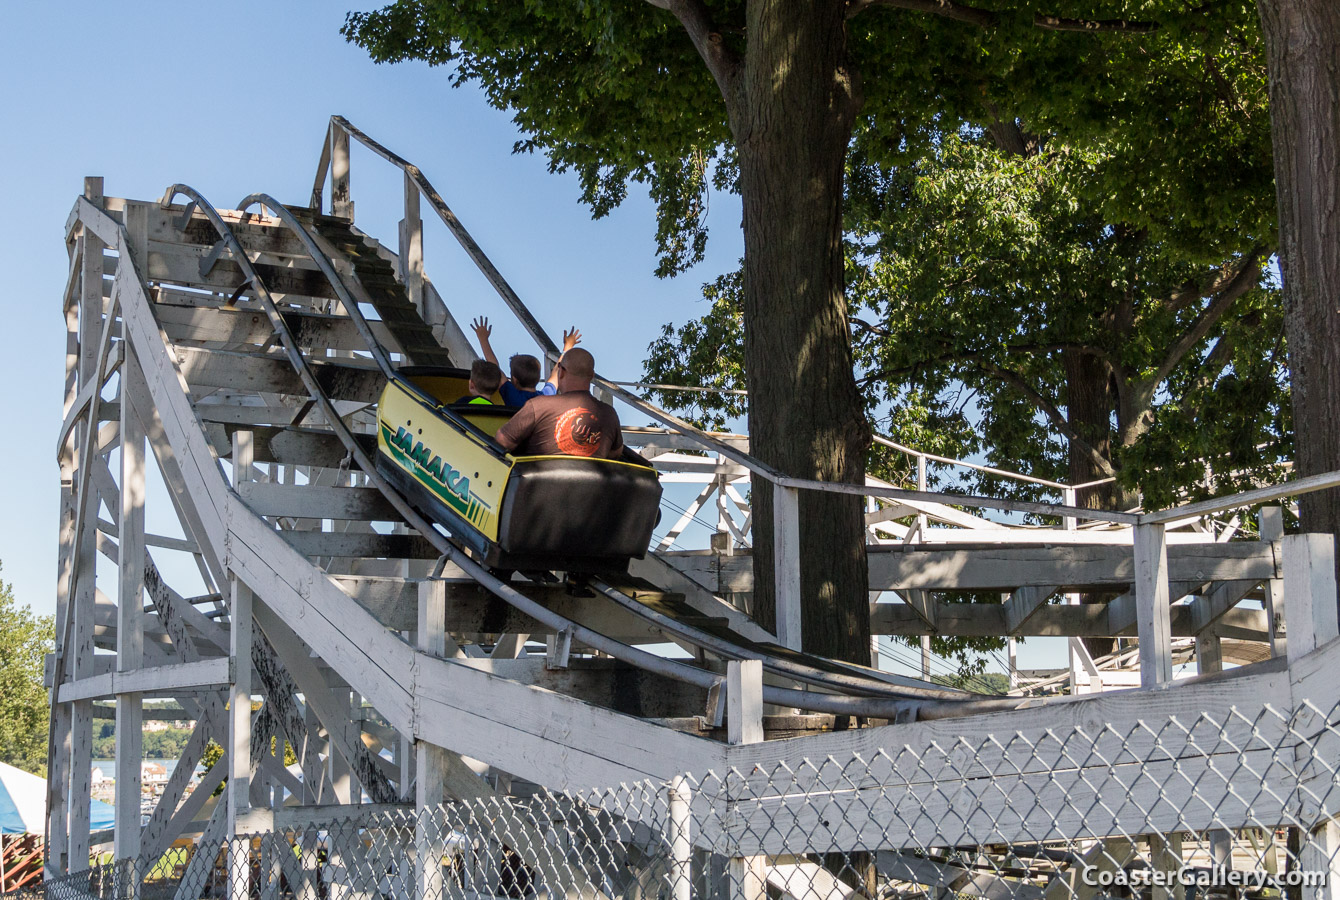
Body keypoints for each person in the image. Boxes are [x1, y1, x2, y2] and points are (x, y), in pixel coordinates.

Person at [494, 347, 624, 459]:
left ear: (561, 372)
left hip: (540, 486)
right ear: (592, 375)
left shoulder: (538, 406)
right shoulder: (609, 415)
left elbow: (502, 441)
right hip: (594, 487)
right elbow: (616, 453)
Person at [470, 317, 583, 407]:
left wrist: (483, 339)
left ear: (514, 380)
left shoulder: (512, 395)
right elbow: (556, 373)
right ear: (538, 378)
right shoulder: (545, 396)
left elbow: (494, 367)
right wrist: (567, 348)